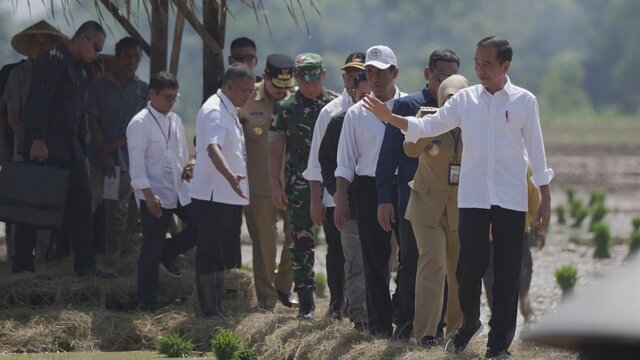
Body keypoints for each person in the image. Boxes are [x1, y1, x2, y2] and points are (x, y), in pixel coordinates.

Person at [363, 36, 553, 358]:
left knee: (506, 275)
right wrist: (390, 118)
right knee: (467, 268)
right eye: (476, 63)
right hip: (473, 198)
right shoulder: (465, 100)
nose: (480, 69)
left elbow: (536, 150)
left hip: (511, 199)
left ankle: (498, 345)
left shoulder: (524, 101)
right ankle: (469, 323)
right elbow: (429, 125)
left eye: (487, 64)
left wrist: (544, 199)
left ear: (505, 65)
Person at [14, 21, 114, 277]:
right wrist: (37, 139)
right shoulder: (54, 59)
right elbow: (39, 101)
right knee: (32, 207)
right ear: (81, 38)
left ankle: (85, 265)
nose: (96, 53)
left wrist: (83, 153)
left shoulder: (80, 70)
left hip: (71, 150)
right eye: (95, 46)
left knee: (82, 203)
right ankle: (23, 265)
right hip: (46, 147)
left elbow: (77, 115)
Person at [376, 49, 460, 340]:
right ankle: (410, 324)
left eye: (452, 79)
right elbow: (390, 154)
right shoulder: (411, 105)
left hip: (454, 204)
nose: (445, 85)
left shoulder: (466, 112)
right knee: (413, 263)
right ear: (428, 75)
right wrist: (383, 198)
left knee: (451, 268)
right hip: (414, 199)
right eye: (440, 78)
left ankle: (443, 329)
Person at [334, 45, 407, 337]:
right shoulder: (356, 113)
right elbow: (345, 162)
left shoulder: (409, 106)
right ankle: (379, 327)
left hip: (402, 186)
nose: (375, 78)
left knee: (409, 258)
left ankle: (403, 316)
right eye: (370, 72)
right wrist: (341, 200)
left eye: (381, 71)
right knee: (374, 260)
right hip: (367, 188)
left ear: (395, 72)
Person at [269, 53, 338, 319]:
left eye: (314, 74)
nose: (309, 81)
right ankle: (306, 302)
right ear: (296, 77)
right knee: (301, 244)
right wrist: (275, 185)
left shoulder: (335, 105)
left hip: (332, 185)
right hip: (298, 186)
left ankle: (338, 302)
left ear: (323, 75)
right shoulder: (285, 108)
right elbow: (275, 151)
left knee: (337, 245)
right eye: (303, 75)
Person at [405, 74, 468, 348]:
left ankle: (455, 334)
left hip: (459, 209)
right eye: (447, 99)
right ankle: (426, 335)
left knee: (458, 273)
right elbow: (409, 148)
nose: (451, 103)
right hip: (427, 207)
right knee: (433, 265)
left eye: (457, 99)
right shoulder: (427, 117)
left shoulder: (474, 123)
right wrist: (433, 124)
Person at [127, 71, 197, 311]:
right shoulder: (139, 123)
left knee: (202, 225)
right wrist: (148, 196)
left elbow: (179, 154)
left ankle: (167, 253)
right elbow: (136, 168)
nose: (170, 102)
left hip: (178, 189)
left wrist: (188, 166)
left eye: (174, 97)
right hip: (152, 193)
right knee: (150, 249)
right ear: (152, 94)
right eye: (166, 97)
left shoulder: (175, 120)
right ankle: (147, 304)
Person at [190, 64, 255, 318]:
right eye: (244, 91)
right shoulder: (215, 110)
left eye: (251, 91)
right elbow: (212, 148)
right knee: (209, 251)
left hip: (228, 194)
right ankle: (209, 310)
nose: (247, 96)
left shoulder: (230, 109)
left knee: (219, 253)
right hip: (214, 194)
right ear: (229, 86)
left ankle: (217, 306)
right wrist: (229, 176)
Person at [304, 51, 366, 319]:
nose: (353, 79)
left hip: (364, 196)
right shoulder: (330, 112)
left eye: (359, 74)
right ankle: (336, 304)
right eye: (350, 74)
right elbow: (317, 160)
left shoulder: (374, 108)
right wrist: (316, 199)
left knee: (364, 255)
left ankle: (359, 306)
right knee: (336, 253)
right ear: (343, 76)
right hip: (333, 197)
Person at [2, 20, 69, 266]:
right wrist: (30, 143)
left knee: (49, 208)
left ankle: (43, 260)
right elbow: (13, 117)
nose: (40, 46)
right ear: (28, 45)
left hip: (55, 152)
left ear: (55, 44)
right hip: (25, 151)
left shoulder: (65, 73)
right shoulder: (17, 75)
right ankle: (20, 261)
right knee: (22, 209)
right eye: (35, 41)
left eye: (47, 41)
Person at [238, 54, 297, 310]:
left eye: (287, 86)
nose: (282, 92)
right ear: (265, 77)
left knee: (297, 236)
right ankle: (267, 299)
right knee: (264, 245)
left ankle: (284, 285)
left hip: (293, 183)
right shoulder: (247, 100)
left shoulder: (297, 98)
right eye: (277, 87)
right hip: (259, 185)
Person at [87, 37, 148, 273]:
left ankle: (111, 259)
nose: (132, 61)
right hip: (96, 159)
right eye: (127, 56)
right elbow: (92, 119)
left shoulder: (142, 91)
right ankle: (81, 258)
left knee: (117, 212)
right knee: (88, 205)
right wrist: (105, 151)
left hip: (124, 162)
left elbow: (141, 127)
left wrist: (118, 145)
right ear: (117, 58)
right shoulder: (100, 86)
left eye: (136, 57)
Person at [319, 70, 371, 329]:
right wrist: (338, 194)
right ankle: (361, 320)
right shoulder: (340, 121)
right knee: (354, 264)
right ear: (353, 91)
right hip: (350, 206)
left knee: (383, 264)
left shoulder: (391, 119)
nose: (367, 100)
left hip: (381, 204)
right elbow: (326, 161)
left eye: (371, 95)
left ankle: (383, 316)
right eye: (362, 95)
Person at [483, 166, 542, 343]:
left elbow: (533, 197)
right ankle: (498, 319)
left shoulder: (524, 166)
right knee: (490, 276)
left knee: (525, 267)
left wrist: (540, 228)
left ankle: (524, 302)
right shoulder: (484, 163)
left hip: (518, 230)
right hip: (487, 235)